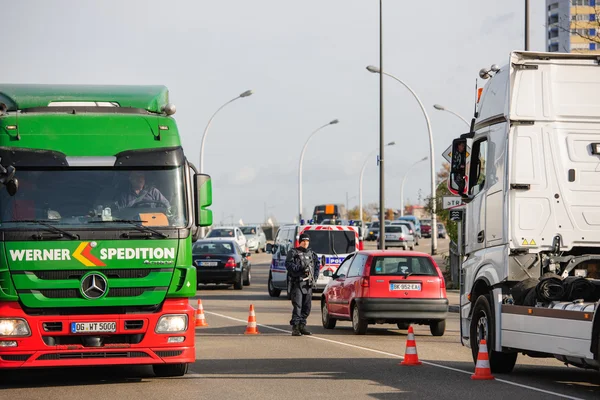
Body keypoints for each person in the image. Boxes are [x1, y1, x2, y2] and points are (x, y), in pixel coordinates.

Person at [285, 232, 320, 336]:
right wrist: (300, 268)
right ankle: (295, 327)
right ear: (300, 241)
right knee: (298, 306)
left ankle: (302, 325)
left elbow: (317, 265)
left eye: (307, 241)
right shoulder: (293, 252)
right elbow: (288, 265)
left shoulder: (312, 254)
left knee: (307, 307)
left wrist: (315, 277)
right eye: (303, 241)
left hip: (308, 284)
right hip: (297, 283)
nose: (305, 243)